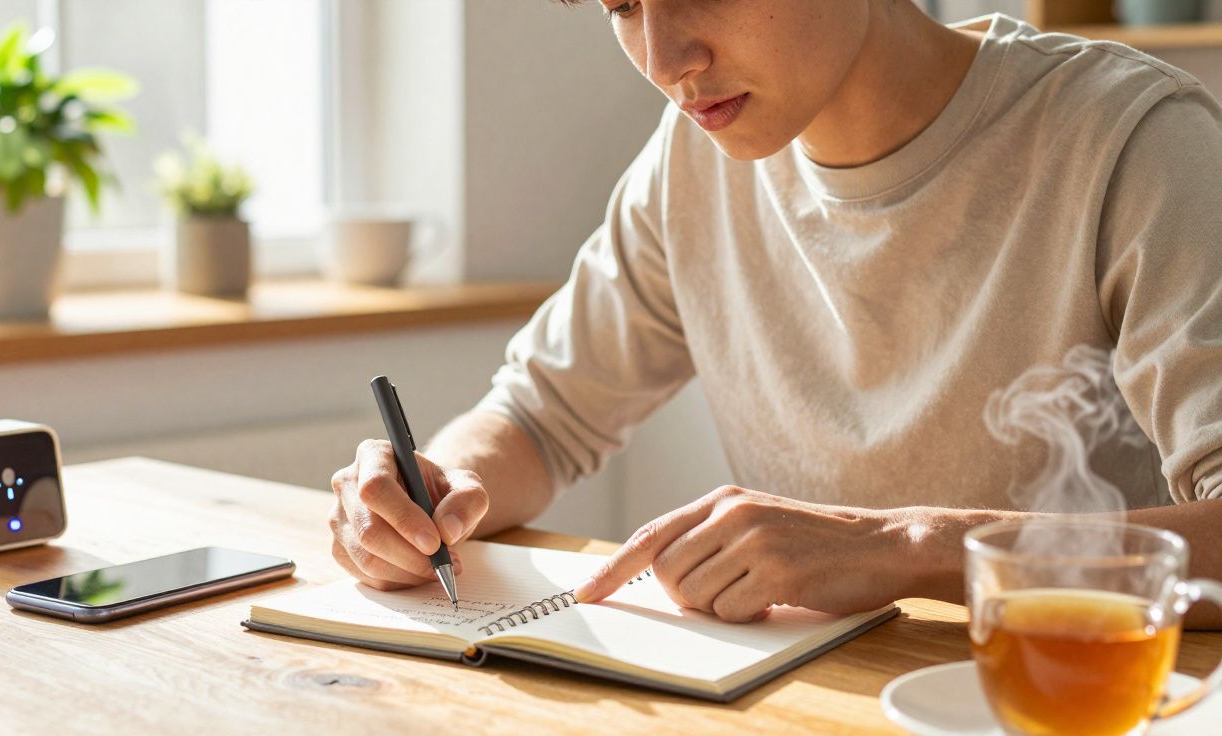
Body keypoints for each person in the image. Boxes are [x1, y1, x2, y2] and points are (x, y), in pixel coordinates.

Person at [328, 1, 1222, 625]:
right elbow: (537, 417)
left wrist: (906, 547)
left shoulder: (1136, 143)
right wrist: (427, 491)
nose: (666, 61)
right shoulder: (690, 160)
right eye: (621, 3)